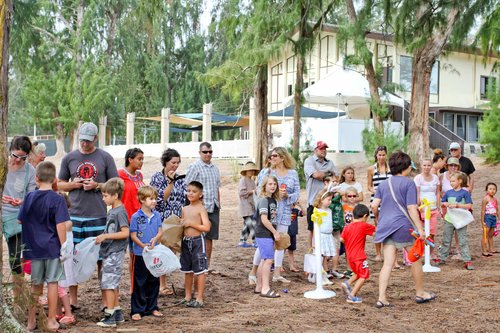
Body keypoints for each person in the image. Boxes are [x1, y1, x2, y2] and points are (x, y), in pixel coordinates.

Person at [58, 122, 118, 309]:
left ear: (95, 138)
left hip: (97, 215)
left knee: (101, 259)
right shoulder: (69, 158)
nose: (84, 144)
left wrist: (97, 185)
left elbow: (115, 184)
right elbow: (59, 184)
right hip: (74, 215)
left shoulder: (105, 157)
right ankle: (73, 299)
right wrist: (74, 184)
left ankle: (104, 299)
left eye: (88, 141)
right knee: (72, 257)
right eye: (81, 140)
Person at [372, 151, 435, 308]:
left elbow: (374, 205)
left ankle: (382, 297)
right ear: (405, 167)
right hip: (403, 227)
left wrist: (380, 218)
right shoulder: (409, 184)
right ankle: (420, 292)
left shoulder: (383, 184)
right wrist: (420, 229)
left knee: (387, 263)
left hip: (386, 227)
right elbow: (412, 208)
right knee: (415, 259)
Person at [18, 161, 69, 332]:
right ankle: (51, 320)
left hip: (32, 249)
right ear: (55, 179)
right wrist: (64, 246)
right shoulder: (57, 199)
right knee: (52, 283)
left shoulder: (29, 197)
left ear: (36, 178)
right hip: (52, 248)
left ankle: (31, 321)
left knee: (35, 285)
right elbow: (61, 225)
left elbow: (20, 219)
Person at [2, 136, 36, 298]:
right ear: (10, 151)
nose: (18, 160)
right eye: (15, 156)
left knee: (15, 260)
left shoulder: (30, 171)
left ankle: (19, 299)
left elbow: (31, 195)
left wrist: (22, 201)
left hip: (16, 218)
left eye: (22, 157)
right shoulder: (3, 165)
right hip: (2, 212)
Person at [150, 148, 187, 294]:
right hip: (162, 219)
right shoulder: (157, 178)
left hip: (176, 220)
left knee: (172, 250)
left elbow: (184, 200)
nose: (175, 165)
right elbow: (159, 201)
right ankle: (161, 284)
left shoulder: (181, 178)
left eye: (178, 163)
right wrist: (170, 183)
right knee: (162, 251)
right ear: (165, 162)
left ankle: (163, 282)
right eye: (173, 162)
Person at [95, 178, 130, 327]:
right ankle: (117, 312)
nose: (103, 199)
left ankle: (109, 316)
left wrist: (106, 236)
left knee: (109, 284)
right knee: (112, 282)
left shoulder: (120, 212)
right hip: (110, 252)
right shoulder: (114, 211)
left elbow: (125, 232)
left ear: (115, 195)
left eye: (105, 196)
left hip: (115, 252)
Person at [130, 185, 163, 321]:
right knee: (139, 282)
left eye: (155, 198)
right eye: (151, 199)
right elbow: (133, 235)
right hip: (140, 254)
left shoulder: (157, 215)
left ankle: (153, 307)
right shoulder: (136, 217)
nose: (154, 201)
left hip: (154, 253)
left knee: (154, 280)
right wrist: (142, 245)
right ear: (142, 200)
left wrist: (156, 239)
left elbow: (160, 231)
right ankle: (137, 309)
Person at [267, 147, 300, 283]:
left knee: (281, 242)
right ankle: (254, 272)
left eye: (275, 155)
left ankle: (277, 274)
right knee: (267, 242)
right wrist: (273, 195)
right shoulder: (267, 172)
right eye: (271, 155)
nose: (272, 158)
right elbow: (259, 191)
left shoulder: (293, 174)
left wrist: (288, 196)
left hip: (286, 212)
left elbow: (297, 193)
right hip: (269, 211)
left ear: (282, 157)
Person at [185, 142, 221, 268]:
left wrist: (219, 204)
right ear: (199, 152)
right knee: (196, 236)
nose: (208, 154)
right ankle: (194, 264)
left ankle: (206, 265)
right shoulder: (194, 167)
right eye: (205, 152)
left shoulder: (215, 168)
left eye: (210, 152)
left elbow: (217, 188)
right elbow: (187, 186)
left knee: (210, 237)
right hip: (199, 208)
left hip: (213, 206)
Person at [179, 181, 211, 308]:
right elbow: (182, 226)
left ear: (201, 194)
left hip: (198, 241)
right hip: (186, 242)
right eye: (189, 191)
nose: (190, 193)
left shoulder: (201, 208)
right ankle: (187, 296)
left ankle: (199, 298)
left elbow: (207, 227)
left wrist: (191, 224)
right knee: (187, 270)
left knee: (200, 270)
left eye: (194, 191)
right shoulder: (184, 209)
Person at [118, 148, 145, 293]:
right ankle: (132, 285)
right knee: (128, 252)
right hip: (126, 219)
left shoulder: (139, 176)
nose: (141, 161)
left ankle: (136, 283)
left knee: (136, 253)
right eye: (139, 158)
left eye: (142, 159)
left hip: (139, 218)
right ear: (130, 159)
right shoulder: (120, 174)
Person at [304, 141, 338, 248]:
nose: (324, 151)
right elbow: (316, 175)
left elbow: (336, 177)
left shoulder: (330, 162)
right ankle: (311, 249)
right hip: (313, 201)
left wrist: (324, 174)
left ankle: (324, 248)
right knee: (312, 228)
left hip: (328, 201)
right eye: (321, 148)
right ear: (315, 150)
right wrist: (329, 173)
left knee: (327, 226)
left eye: (325, 149)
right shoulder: (309, 161)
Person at [340, 204, 376, 304]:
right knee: (364, 275)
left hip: (350, 256)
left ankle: (347, 283)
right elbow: (376, 232)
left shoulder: (347, 227)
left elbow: (341, 239)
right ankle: (352, 296)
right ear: (364, 216)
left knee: (357, 273)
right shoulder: (364, 226)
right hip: (359, 256)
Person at [437, 172, 474, 270]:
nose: (451, 183)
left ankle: (467, 260)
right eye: (450, 181)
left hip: (460, 220)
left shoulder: (465, 193)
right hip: (449, 219)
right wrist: (445, 204)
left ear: (460, 181)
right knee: (446, 239)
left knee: (462, 240)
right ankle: (442, 258)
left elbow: (469, 205)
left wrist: (458, 205)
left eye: (453, 181)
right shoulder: (448, 192)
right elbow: (442, 203)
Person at [253, 176, 281, 298]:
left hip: (266, 233)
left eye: (274, 184)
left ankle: (259, 286)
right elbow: (264, 220)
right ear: (264, 186)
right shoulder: (264, 200)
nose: (273, 186)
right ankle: (265, 288)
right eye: (270, 184)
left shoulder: (273, 201)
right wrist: (275, 232)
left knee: (264, 260)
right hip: (263, 233)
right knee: (269, 260)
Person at [367, 145, 391, 261]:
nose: (381, 157)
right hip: (376, 200)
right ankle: (378, 253)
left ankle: (388, 252)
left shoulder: (390, 168)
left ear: (386, 155)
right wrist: (376, 192)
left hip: (389, 200)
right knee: (378, 227)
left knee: (389, 227)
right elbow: (369, 186)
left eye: (383, 155)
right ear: (376, 155)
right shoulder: (371, 169)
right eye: (379, 155)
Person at [414, 158, 441, 258]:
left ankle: (431, 252)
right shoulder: (418, 178)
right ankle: (421, 251)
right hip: (422, 208)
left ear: (431, 166)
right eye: (424, 165)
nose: (426, 167)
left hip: (433, 208)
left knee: (432, 232)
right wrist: (418, 206)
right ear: (421, 166)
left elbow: (437, 192)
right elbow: (417, 193)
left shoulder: (435, 178)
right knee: (421, 231)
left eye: (428, 165)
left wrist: (438, 205)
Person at [312, 189, 337, 284]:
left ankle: (323, 275)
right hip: (320, 236)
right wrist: (314, 240)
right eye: (328, 199)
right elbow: (315, 227)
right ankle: (320, 276)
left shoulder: (329, 210)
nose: (330, 202)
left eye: (331, 200)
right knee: (320, 256)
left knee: (326, 256)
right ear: (322, 200)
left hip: (328, 236)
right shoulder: (317, 211)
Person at [238, 162, 260, 248]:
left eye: (253, 170)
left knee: (247, 224)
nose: (252, 172)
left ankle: (242, 241)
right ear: (246, 171)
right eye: (250, 170)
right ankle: (255, 240)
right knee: (252, 224)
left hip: (251, 205)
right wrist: (252, 191)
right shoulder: (243, 180)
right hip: (245, 206)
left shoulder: (252, 181)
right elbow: (241, 193)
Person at [481, 183, 498, 256]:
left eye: (494, 189)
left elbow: (497, 210)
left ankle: (491, 249)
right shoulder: (486, 199)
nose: (492, 191)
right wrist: (482, 221)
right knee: (485, 234)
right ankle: (484, 250)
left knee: (491, 235)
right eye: (490, 189)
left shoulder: (495, 199)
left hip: (494, 218)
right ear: (487, 190)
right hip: (487, 217)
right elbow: (483, 210)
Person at [287, 201, 304, 272]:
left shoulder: (295, 211)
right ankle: (280, 266)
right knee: (282, 250)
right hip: (285, 233)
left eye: (292, 204)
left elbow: (304, 213)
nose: (291, 206)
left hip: (293, 234)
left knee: (291, 251)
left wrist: (300, 205)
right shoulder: (284, 211)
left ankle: (292, 266)